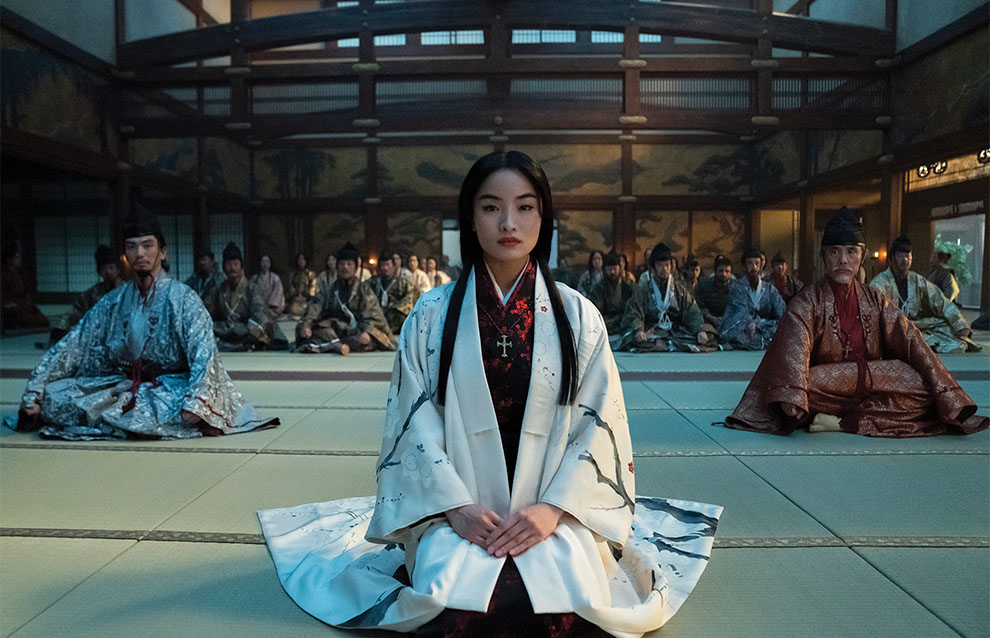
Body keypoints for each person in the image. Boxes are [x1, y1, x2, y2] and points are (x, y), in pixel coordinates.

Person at [259, 150, 720, 637]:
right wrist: (454, 508)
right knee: (452, 610)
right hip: (457, 510)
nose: (508, 222)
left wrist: (555, 509)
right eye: (490, 207)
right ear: (470, 220)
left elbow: (598, 426)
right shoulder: (431, 316)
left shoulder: (578, 316)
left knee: (563, 611)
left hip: (553, 508)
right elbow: (412, 426)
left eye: (525, 206)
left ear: (544, 217)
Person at [10, 204, 277, 440]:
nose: (140, 253)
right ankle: (124, 421)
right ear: (125, 253)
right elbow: (73, 344)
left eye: (147, 245)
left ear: (162, 251)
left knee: (174, 408)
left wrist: (198, 401)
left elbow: (205, 354)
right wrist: (35, 388)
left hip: (171, 386)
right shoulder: (113, 301)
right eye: (132, 246)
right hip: (122, 386)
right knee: (54, 395)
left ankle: (129, 420)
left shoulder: (183, 298)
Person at [724, 207, 988, 437]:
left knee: (924, 386)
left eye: (851, 251)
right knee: (793, 387)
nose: (843, 260)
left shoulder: (876, 299)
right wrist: (792, 394)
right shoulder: (806, 302)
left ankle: (839, 422)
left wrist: (947, 391)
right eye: (835, 252)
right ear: (824, 257)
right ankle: (852, 415)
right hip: (824, 388)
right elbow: (794, 350)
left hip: (873, 385)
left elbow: (911, 341)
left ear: (862, 257)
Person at [869, 236, 978, 353]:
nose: (904, 260)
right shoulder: (880, 282)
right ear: (892, 258)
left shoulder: (917, 281)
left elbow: (941, 302)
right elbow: (872, 309)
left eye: (907, 256)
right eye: (900, 255)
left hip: (917, 325)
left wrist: (960, 325)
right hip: (892, 328)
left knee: (946, 329)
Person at [295, 242, 395, 354]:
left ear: (356, 267)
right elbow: (315, 306)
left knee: (368, 339)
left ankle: (334, 345)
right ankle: (339, 346)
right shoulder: (329, 290)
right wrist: (307, 324)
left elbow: (373, 314)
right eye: (341, 264)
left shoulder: (364, 290)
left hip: (356, 331)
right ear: (337, 267)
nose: (345, 267)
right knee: (314, 331)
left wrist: (367, 331)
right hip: (334, 330)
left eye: (349, 264)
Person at [616, 243, 717, 353]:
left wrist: (699, 330)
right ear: (653, 268)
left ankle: (665, 344)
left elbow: (691, 310)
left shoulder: (679, 290)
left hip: (676, 331)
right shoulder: (644, 291)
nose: (664, 269)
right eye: (660, 265)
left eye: (667, 265)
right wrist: (639, 330)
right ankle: (668, 345)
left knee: (709, 334)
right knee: (632, 338)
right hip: (652, 330)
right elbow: (634, 313)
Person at [205, 242, 288, 352]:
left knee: (262, 325)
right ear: (224, 268)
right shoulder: (218, 290)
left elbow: (260, 313)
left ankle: (242, 343)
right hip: (225, 330)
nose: (232, 268)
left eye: (235, 264)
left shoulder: (252, 288)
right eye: (229, 264)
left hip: (246, 331)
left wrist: (248, 330)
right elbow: (207, 311)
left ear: (241, 267)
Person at [49, 244, 122, 344]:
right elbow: (76, 311)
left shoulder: (127, 290)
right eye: (104, 269)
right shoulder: (93, 292)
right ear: (99, 272)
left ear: (118, 269)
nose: (108, 272)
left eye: (111, 268)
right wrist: (63, 327)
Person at [719, 248, 786, 350]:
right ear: (744, 266)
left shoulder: (769, 289)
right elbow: (739, 309)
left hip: (765, 326)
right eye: (750, 264)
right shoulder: (736, 286)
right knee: (736, 331)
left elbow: (781, 310)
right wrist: (749, 321)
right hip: (743, 326)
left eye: (757, 264)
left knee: (782, 328)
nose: (754, 267)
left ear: (761, 266)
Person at [588, 251, 637, 344]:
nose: (613, 272)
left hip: (625, 321)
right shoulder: (599, 287)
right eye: (609, 269)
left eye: (615, 269)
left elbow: (636, 308)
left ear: (620, 268)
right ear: (604, 270)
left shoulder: (629, 286)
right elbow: (595, 311)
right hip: (607, 323)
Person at [1, 241, 49, 332]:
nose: (20, 259)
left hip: (21, 304)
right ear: (9, 259)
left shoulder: (19, 272)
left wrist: (27, 303)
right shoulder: (3, 273)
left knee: (43, 321)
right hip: (10, 306)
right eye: (17, 256)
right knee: (27, 320)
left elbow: (25, 292)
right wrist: (6, 303)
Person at [367, 249, 415, 336]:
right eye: (382, 265)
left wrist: (392, 309)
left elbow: (409, 300)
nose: (385, 268)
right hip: (377, 317)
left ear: (393, 266)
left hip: (395, 317)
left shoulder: (403, 282)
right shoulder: (373, 282)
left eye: (388, 265)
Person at [695, 255, 733, 330]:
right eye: (721, 271)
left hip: (729, 322)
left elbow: (738, 308)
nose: (724, 274)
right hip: (707, 321)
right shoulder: (703, 285)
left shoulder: (735, 287)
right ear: (715, 271)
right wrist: (711, 318)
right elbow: (698, 306)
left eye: (727, 271)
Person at [250, 254, 285, 324]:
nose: (265, 264)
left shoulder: (275, 278)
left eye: (267, 262)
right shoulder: (254, 279)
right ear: (259, 263)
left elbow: (278, 294)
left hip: (272, 309)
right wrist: (260, 306)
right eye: (263, 261)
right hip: (259, 309)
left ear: (270, 264)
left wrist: (270, 306)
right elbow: (252, 295)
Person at [285, 252, 317, 318]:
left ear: (306, 261)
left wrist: (306, 297)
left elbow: (313, 288)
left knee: (309, 309)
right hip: (295, 301)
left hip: (307, 301)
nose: (301, 261)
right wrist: (296, 297)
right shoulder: (292, 275)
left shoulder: (311, 274)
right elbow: (290, 287)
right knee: (292, 309)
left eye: (303, 259)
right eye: (299, 259)